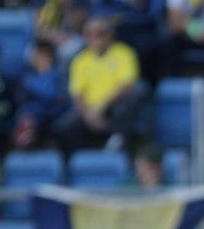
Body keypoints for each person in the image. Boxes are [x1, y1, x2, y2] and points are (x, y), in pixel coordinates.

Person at [53, 15, 146, 154]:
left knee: (135, 95)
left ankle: (118, 140)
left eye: (100, 34)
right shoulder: (80, 60)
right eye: (90, 34)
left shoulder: (124, 53)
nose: (95, 39)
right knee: (63, 127)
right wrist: (88, 115)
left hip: (114, 106)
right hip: (89, 110)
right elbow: (77, 94)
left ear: (110, 35)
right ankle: (74, 164)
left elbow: (127, 84)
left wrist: (102, 106)